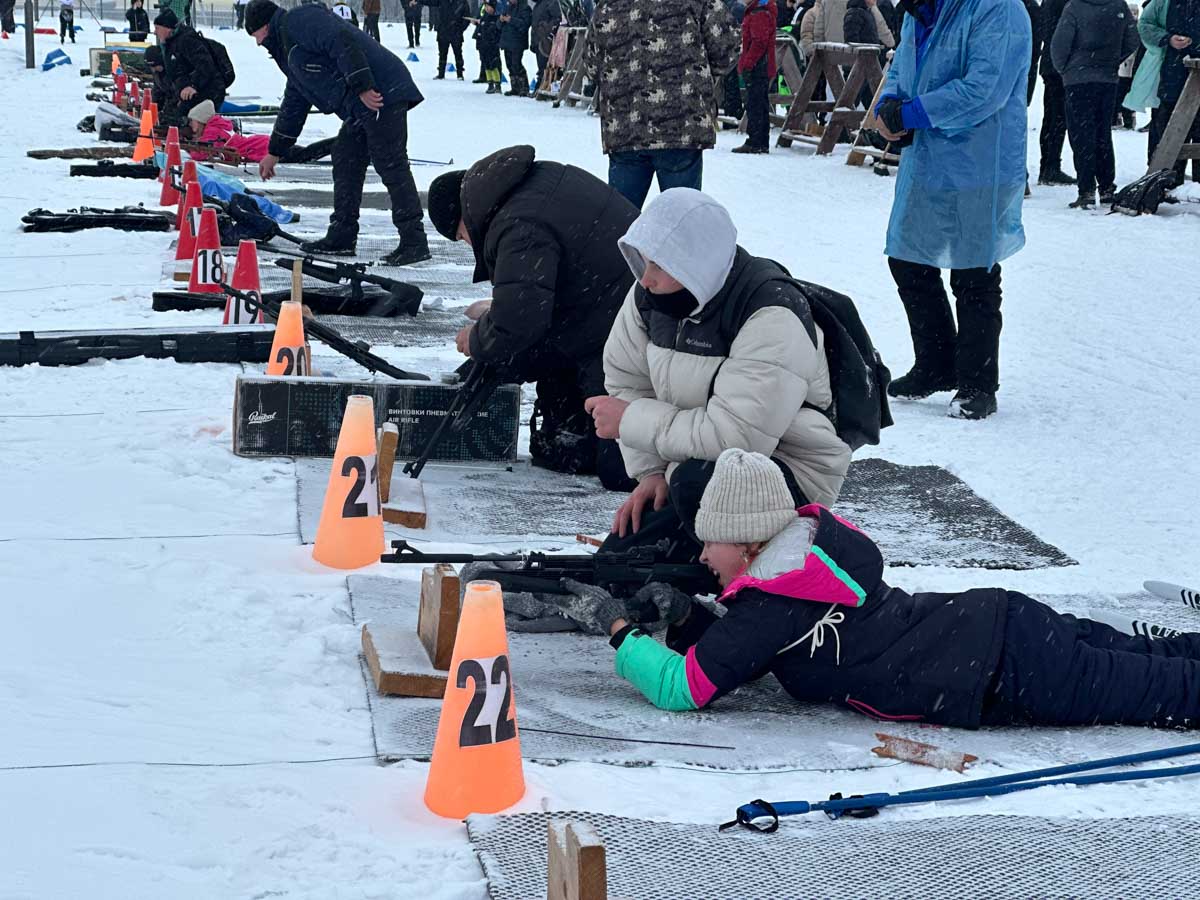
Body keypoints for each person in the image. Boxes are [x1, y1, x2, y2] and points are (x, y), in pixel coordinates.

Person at [552, 448, 1200, 732]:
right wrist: (689, 618)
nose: (702, 554)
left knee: (1169, 692)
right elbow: (747, 654)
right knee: (1166, 659)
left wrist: (620, 631)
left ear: (748, 541)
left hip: (999, 667)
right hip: (999, 627)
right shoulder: (805, 560)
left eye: (710, 541)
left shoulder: (774, 600)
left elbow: (684, 689)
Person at [589, 188, 852, 577]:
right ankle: (685, 571)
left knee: (700, 481)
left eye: (661, 264)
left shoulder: (771, 314)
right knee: (618, 568)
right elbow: (627, 379)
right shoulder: (649, 296)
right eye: (644, 261)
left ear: (696, 262)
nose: (647, 278)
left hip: (782, 470)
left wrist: (630, 421)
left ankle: (752, 587)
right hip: (692, 460)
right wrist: (652, 473)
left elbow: (737, 441)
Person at [425, 145, 640, 489]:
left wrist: (477, 339)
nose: (468, 245)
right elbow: (534, 296)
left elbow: (519, 321)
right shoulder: (528, 186)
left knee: (621, 470)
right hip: (611, 307)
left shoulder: (517, 222)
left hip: (622, 330)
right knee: (561, 431)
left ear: (465, 217)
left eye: (462, 237)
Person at [873, 0, 1030, 420]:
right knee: (907, 258)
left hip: (981, 159)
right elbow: (901, 66)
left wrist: (913, 112)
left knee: (975, 271)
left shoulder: (999, 9)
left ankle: (978, 383)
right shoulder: (918, 9)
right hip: (928, 158)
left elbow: (986, 87)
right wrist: (890, 103)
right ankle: (936, 363)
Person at [245, 0, 431, 266]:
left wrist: (363, 85)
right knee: (345, 157)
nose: (257, 42)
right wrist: (275, 151)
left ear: (264, 25)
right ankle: (342, 235)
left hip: (380, 92)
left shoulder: (299, 21)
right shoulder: (288, 47)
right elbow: (295, 102)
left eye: (255, 35)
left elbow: (341, 39)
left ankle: (414, 241)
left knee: (391, 164)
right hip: (361, 104)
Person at [585, 0, 738, 207]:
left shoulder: (607, 4)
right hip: (682, 124)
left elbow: (592, 65)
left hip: (625, 127)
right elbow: (727, 51)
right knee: (680, 221)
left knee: (619, 219)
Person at [1051, 0, 1139, 208]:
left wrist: (1067, 69)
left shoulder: (1074, 7)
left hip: (1078, 80)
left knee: (1082, 135)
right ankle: (1107, 186)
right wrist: (1112, 60)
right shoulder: (1118, 6)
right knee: (1103, 134)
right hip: (1107, 79)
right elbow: (1132, 40)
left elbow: (1059, 44)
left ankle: (1087, 189)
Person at [1124, 0, 1200, 185]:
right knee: (1168, 131)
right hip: (1170, 75)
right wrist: (1167, 38)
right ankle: (1164, 181)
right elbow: (1145, 25)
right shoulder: (1163, 2)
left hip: (1190, 74)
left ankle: (1196, 183)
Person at [184, 99, 336, 163]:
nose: (191, 125)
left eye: (193, 121)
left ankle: (338, 143)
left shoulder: (213, 131)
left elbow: (202, 153)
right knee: (305, 154)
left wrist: (186, 148)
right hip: (262, 145)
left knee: (305, 155)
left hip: (262, 149)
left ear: (201, 120)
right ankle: (337, 144)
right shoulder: (217, 126)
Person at [154, 10, 229, 121]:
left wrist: (193, 85)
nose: (155, 32)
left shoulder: (186, 40)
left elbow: (206, 64)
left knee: (190, 123)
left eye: (157, 28)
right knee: (172, 119)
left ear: (167, 28)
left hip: (207, 91)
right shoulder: (170, 44)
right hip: (190, 94)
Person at [1037, 0, 1077, 185]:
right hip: (1060, 65)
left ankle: (1048, 165)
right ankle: (1051, 166)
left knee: (1053, 117)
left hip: (1052, 64)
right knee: (1057, 118)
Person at [735, 0, 777, 153]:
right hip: (762, 65)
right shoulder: (761, 11)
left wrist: (747, 63)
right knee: (759, 103)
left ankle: (755, 142)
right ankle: (760, 141)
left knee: (755, 104)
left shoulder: (758, 12)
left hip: (758, 66)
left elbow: (759, 42)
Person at [799, 0, 894, 52]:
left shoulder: (826, 1)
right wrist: (890, 42)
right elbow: (880, 24)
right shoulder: (864, 3)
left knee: (833, 86)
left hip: (831, 56)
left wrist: (819, 53)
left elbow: (819, 31)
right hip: (856, 56)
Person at [1114, 1, 1141, 129]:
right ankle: (1122, 118)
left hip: (1131, 68)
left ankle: (1128, 119)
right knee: (1121, 93)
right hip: (1124, 67)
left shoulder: (1135, 26)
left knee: (1126, 94)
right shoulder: (1125, 25)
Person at [499, 0, 533, 96]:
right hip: (506, 41)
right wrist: (501, 20)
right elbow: (499, 26)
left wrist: (511, 20)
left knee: (516, 64)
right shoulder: (508, 7)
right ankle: (515, 87)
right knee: (509, 65)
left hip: (518, 42)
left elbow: (525, 24)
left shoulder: (525, 8)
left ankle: (524, 87)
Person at [143, 46, 181, 125]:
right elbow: (158, 92)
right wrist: (155, 110)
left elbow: (178, 94)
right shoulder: (158, 75)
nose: (153, 70)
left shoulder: (176, 72)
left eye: (155, 66)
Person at [433, 0, 469, 79]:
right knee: (442, 54)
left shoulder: (462, 2)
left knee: (458, 54)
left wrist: (460, 29)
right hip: (443, 31)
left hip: (456, 32)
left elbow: (466, 18)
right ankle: (441, 73)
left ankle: (460, 74)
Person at [531, 0, 561, 89]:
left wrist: (547, 29)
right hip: (538, 39)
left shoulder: (551, 2)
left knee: (545, 66)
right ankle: (541, 86)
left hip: (546, 40)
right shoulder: (538, 4)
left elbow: (558, 19)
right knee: (541, 66)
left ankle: (544, 87)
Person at [477, 0, 505, 93]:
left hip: (492, 45)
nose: (487, 8)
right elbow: (480, 30)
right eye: (486, 6)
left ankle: (497, 84)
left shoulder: (496, 18)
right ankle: (490, 83)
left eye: (489, 7)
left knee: (494, 65)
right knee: (486, 65)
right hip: (483, 45)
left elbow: (497, 31)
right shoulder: (484, 17)